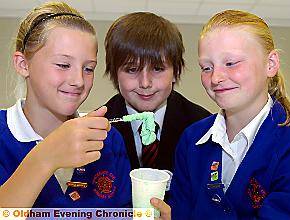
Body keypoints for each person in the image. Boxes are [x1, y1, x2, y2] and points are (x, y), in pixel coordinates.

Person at [167, 9, 290, 219]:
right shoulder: (191, 140)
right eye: (206, 67)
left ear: (271, 64)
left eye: (231, 63)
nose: (216, 78)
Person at [0, 2, 131, 208]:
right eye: (63, 65)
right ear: (23, 64)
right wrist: (45, 158)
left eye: (88, 68)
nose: (78, 80)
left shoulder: (109, 140)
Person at [103, 12, 211, 173]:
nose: (145, 83)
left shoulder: (204, 127)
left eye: (158, 69)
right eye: (132, 70)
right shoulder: (100, 127)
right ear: (114, 73)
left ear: (175, 72)